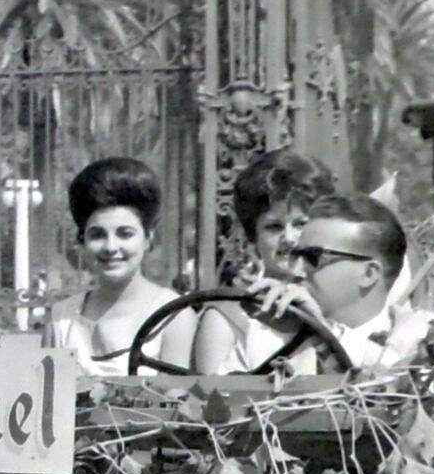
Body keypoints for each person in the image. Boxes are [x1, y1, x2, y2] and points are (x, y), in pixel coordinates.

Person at [193, 150, 338, 373]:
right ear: (254, 235)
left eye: (301, 224)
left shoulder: (343, 307)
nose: (289, 239)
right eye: (274, 227)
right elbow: (210, 403)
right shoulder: (227, 318)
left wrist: (321, 328)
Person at [46, 157, 193, 374]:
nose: (111, 247)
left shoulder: (173, 316)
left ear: (148, 238)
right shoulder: (60, 320)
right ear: (82, 241)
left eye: (125, 234)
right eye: (97, 235)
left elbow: (176, 401)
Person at [278, 194, 434, 375]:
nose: (296, 271)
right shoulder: (272, 332)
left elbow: (394, 378)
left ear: (368, 274)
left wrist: (327, 335)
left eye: (312, 257)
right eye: (295, 255)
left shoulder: (424, 338)